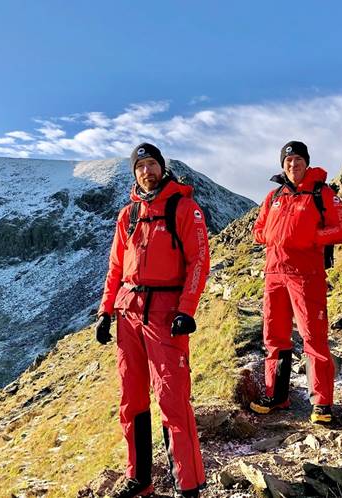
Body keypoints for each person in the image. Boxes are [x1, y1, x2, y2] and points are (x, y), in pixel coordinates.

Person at [95, 143, 210, 498]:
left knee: (172, 399)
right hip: (128, 312)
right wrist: (105, 311)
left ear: (163, 167)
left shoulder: (184, 208)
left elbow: (199, 262)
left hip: (165, 313)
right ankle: (139, 477)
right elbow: (116, 267)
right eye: (140, 166)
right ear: (134, 173)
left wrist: (186, 310)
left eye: (152, 164)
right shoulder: (127, 215)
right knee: (132, 399)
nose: (146, 171)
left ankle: (188, 484)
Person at [250, 141, 342, 424]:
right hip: (274, 274)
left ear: (307, 163)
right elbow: (258, 230)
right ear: (283, 165)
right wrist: (271, 236)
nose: (293, 165)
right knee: (275, 337)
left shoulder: (323, 193)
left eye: (298, 160)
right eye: (288, 161)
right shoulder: (273, 196)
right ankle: (276, 395)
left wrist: (310, 237)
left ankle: (322, 404)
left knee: (313, 337)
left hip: (306, 275)